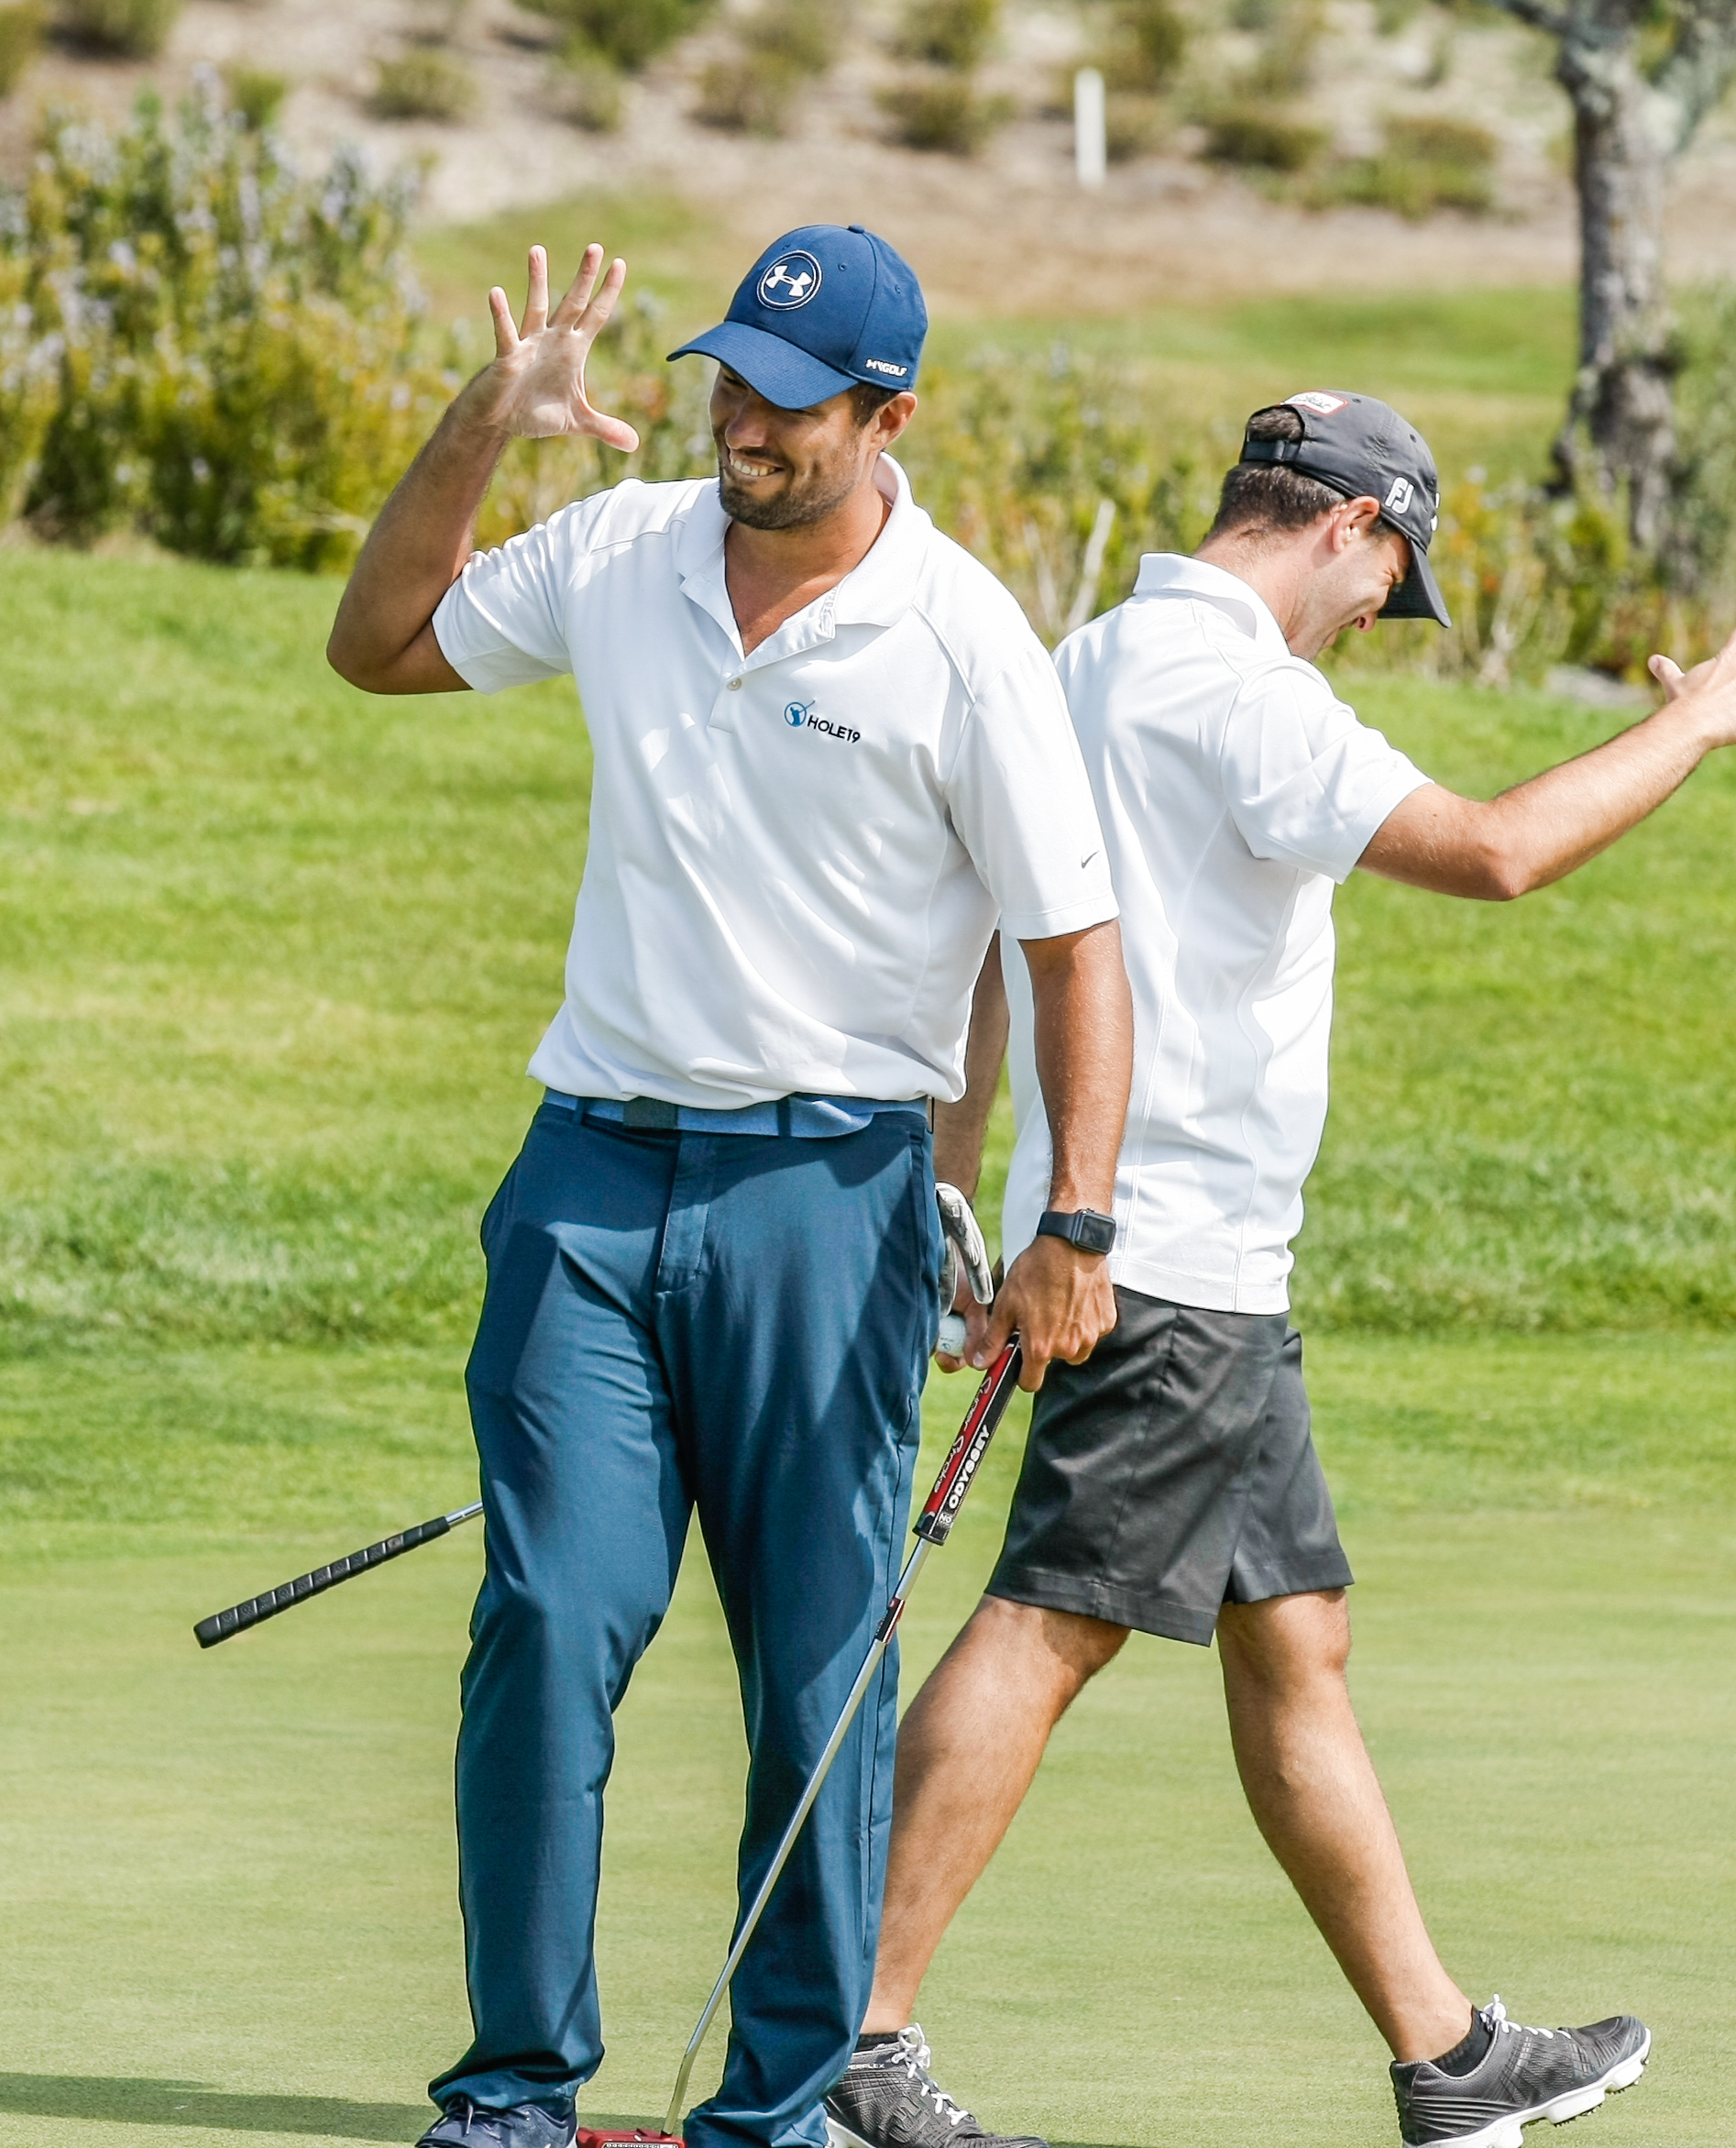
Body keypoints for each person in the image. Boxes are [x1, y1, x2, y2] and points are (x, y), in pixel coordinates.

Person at [830, 393, 1736, 2148]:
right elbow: (1500, 852)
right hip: (1168, 1258)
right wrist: (1697, 725)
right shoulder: (1245, 699)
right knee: (1055, 1621)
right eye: (1391, 578)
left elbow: (989, 959)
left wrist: (955, 1189)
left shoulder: (1083, 664)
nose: (1379, 616)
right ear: (1350, 525)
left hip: (1163, 1245)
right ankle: (853, 2039)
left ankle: (1446, 2058)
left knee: (1297, 1638)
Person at [324, 227, 1137, 2148]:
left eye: (789, 403)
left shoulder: (963, 638)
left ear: (887, 418)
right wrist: (484, 421)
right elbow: (377, 645)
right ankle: (512, 2092)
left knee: (814, 1676)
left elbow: (1073, 951)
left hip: (829, 1197)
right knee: (548, 1620)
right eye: (728, 385)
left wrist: (1070, 1222)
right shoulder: (619, 553)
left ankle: (775, 2116)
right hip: (591, 1184)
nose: (742, 425)